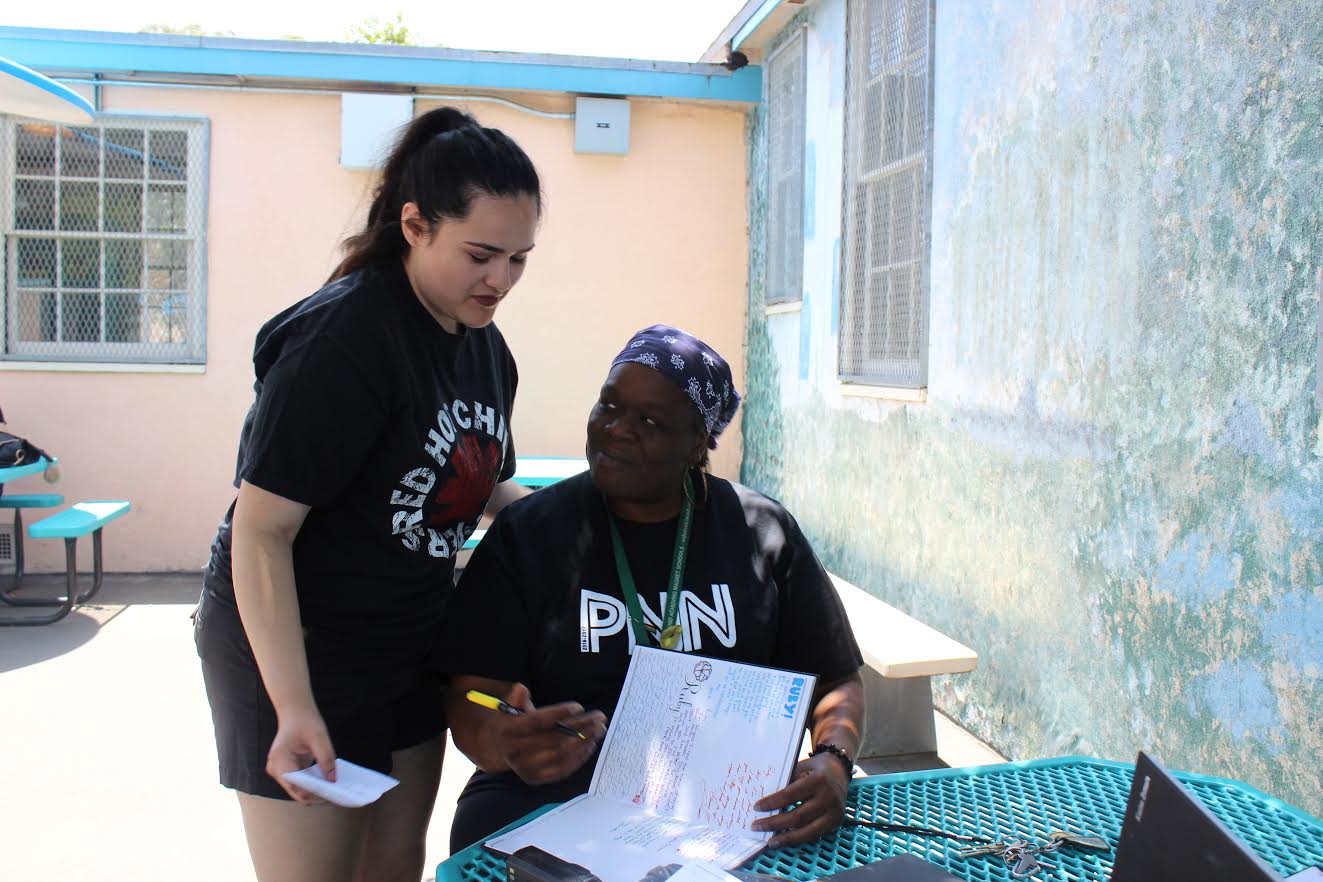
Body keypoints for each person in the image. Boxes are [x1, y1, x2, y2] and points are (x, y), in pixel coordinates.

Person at [193, 106, 541, 882]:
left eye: (519, 259)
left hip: (408, 641)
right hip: (298, 646)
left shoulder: (483, 345)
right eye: (482, 254)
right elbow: (261, 532)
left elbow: (488, 485)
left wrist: (583, 526)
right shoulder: (344, 341)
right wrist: (293, 707)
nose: (501, 281)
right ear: (414, 225)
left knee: (391, 868)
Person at [440, 325, 865, 854]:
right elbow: (471, 693)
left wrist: (833, 760)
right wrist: (503, 741)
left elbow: (835, 677)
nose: (617, 429)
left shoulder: (761, 532)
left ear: (697, 446)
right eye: (609, 405)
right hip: (552, 794)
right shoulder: (530, 534)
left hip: (723, 806)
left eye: (650, 421)